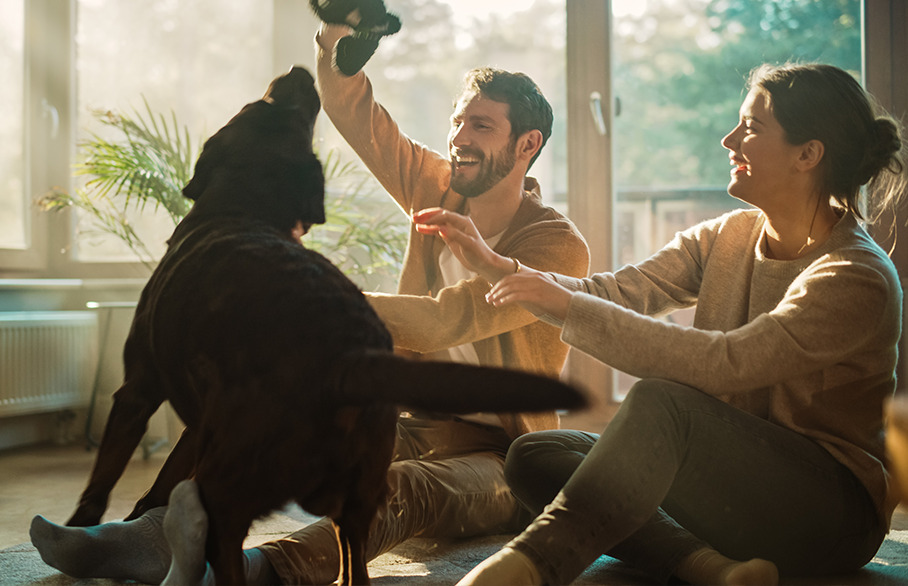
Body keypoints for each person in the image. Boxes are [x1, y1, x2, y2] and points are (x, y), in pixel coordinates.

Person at [29, 21, 589, 586]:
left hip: (504, 459)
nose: (460, 136)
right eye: (458, 120)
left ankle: (256, 569)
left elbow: (451, 318)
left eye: (482, 125)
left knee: (399, 490)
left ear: (527, 145)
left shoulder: (556, 246)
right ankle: (149, 536)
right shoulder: (436, 185)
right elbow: (358, 118)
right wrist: (336, 44)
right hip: (417, 416)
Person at [413, 63, 906, 586]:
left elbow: (726, 363)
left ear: (808, 154)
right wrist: (502, 267)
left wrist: (563, 305)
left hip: (827, 518)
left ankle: (534, 564)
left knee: (661, 402)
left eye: (752, 127)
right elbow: (620, 291)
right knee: (537, 454)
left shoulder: (855, 275)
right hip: (733, 493)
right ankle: (708, 566)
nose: (729, 139)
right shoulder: (728, 236)